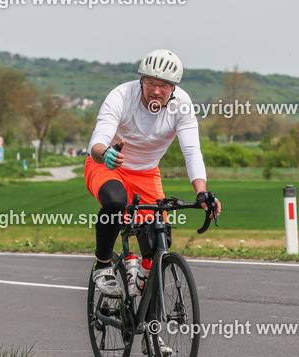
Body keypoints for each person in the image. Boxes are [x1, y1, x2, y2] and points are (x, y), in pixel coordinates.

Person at [86, 49, 220, 300]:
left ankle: (152, 330)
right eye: (150, 83)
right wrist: (105, 154)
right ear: (141, 81)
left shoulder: (182, 105)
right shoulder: (120, 96)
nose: (156, 90)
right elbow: (97, 143)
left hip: (146, 173)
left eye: (164, 85)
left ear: (174, 88)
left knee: (158, 242)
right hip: (108, 165)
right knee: (116, 202)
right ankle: (103, 265)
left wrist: (201, 192)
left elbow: (191, 151)